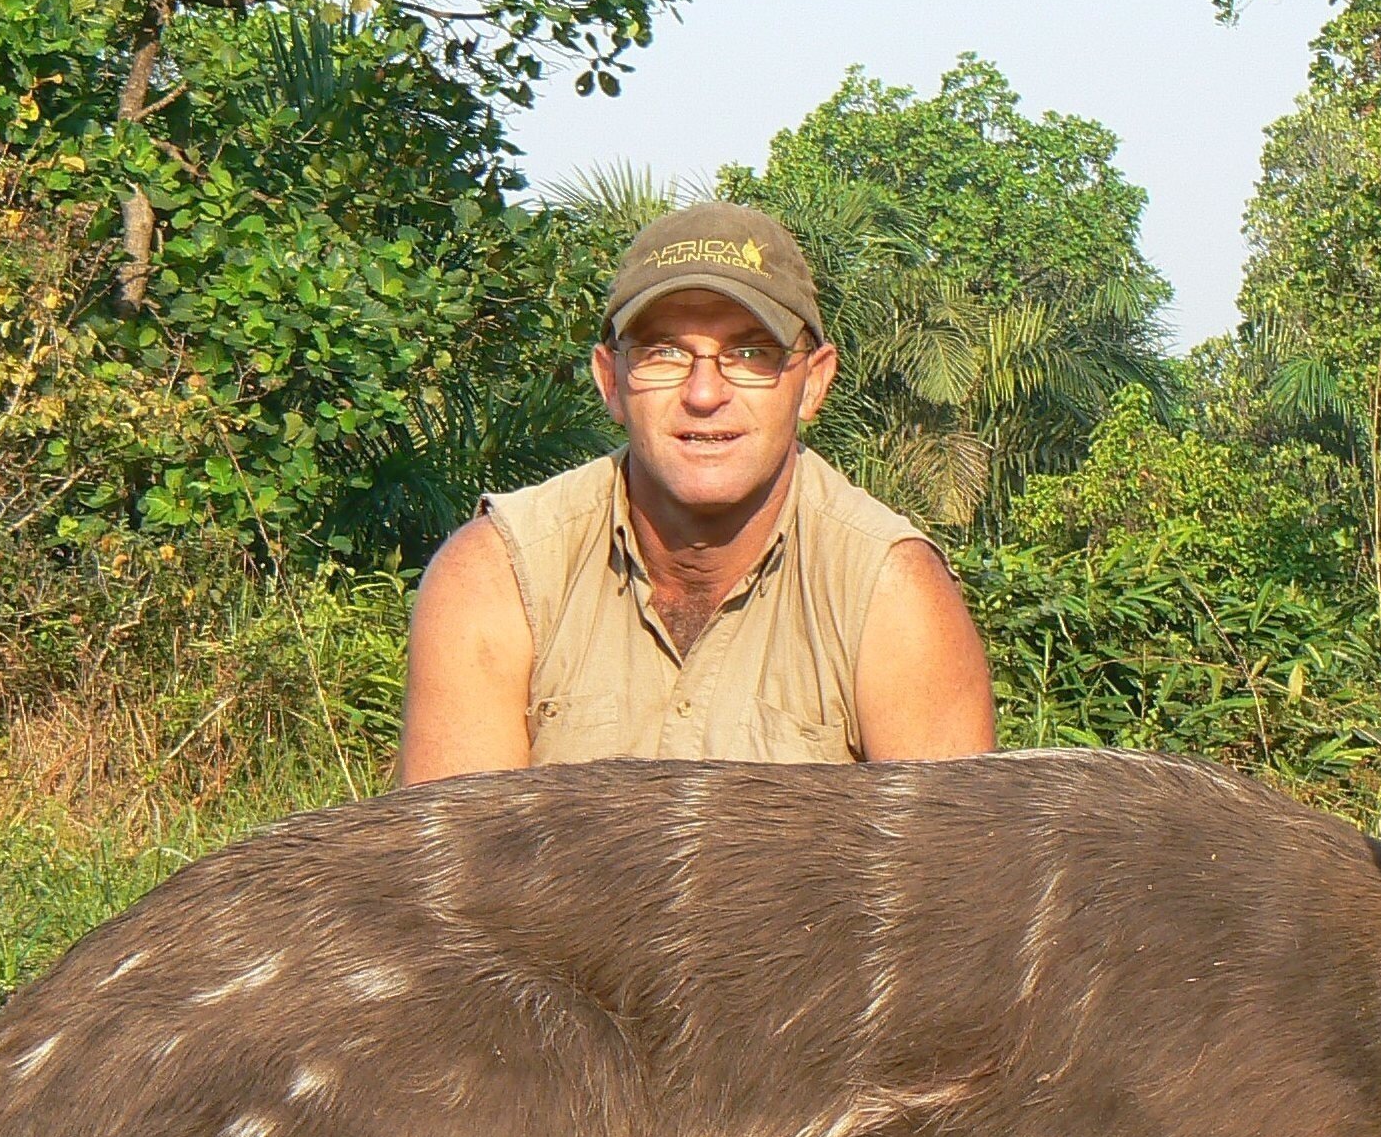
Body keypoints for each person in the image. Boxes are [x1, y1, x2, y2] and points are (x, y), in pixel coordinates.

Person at [397, 201, 996, 782]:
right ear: (610, 381)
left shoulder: (892, 596)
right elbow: (457, 869)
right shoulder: (497, 575)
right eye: (663, 353)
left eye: (750, 353)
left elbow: (947, 877)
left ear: (812, 382)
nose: (705, 394)